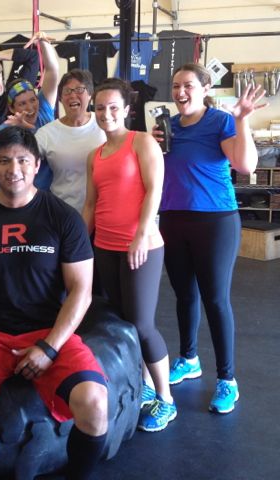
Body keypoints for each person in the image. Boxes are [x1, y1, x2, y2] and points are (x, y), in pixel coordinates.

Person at [0, 127, 108, 480]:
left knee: (94, 403)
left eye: (23, 160)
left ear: (37, 164)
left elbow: (81, 291)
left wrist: (49, 347)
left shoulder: (64, 218)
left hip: (49, 330)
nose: (14, 169)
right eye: (3, 161)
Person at [154, 63, 266, 414]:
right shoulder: (166, 127)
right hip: (173, 217)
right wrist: (152, 146)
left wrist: (242, 119)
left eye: (188, 85)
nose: (180, 92)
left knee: (215, 300)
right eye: (176, 86)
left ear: (205, 89)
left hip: (215, 220)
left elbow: (245, 165)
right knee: (184, 295)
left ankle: (227, 379)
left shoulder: (220, 121)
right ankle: (189, 359)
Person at [82, 78, 175, 432]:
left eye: (113, 107)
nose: (106, 114)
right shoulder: (95, 155)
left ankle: (166, 399)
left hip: (141, 246)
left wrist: (140, 236)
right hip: (105, 247)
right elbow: (91, 204)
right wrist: (79, 244)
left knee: (142, 324)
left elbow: (154, 191)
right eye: (100, 107)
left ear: (126, 109)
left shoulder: (142, 142)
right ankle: (144, 385)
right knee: (122, 321)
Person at [0, 31, 60, 193]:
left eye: (32, 100)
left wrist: (43, 43)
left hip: (52, 190)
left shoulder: (44, 109)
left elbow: (52, 70)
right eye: (22, 103)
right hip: (26, 193)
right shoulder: (8, 126)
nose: (30, 107)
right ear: (12, 109)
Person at [35, 69, 106, 213]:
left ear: (90, 95)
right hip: (62, 213)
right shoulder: (46, 133)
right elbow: (23, 158)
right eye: (67, 91)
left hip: (102, 212)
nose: (73, 95)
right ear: (60, 99)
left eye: (79, 89)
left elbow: (126, 145)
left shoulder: (104, 123)